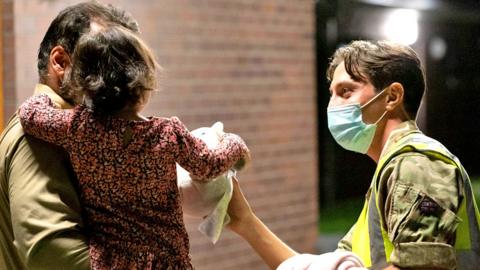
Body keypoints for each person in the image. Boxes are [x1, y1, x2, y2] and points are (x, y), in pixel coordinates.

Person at [227, 40, 480, 270]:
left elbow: (421, 268)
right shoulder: (389, 174)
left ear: (392, 97)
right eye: (332, 94)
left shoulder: (417, 163)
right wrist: (245, 222)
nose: (333, 105)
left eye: (346, 91)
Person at [18, 25, 250, 269]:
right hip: (167, 262)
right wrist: (236, 145)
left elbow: (29, 113)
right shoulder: (167, 134)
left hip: (110, 263)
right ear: (143, 83)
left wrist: (46, 92)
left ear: (85, 84)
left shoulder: (78, 128)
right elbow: (208, 165)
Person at [0, 1, 140, 269]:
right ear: (61, 62)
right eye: (106, 64)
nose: (121, 82)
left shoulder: (75, 131)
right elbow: (51, 253)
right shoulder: (40, 136)